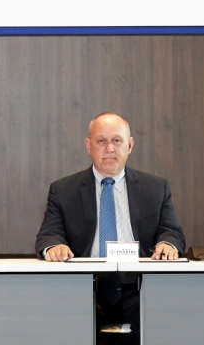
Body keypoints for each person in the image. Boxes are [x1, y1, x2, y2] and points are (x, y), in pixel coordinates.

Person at [35, 112, 185, 344]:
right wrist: (54, 246)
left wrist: (168, 244)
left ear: (130, 145)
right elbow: (49, 234)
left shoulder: (156, 188)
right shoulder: (63, 190)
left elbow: (172, 230)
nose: (109, 148)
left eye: (117, 140)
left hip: (138, 286)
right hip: (84, 287)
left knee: (153, 328)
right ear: (88, 146)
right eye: (101, 141)